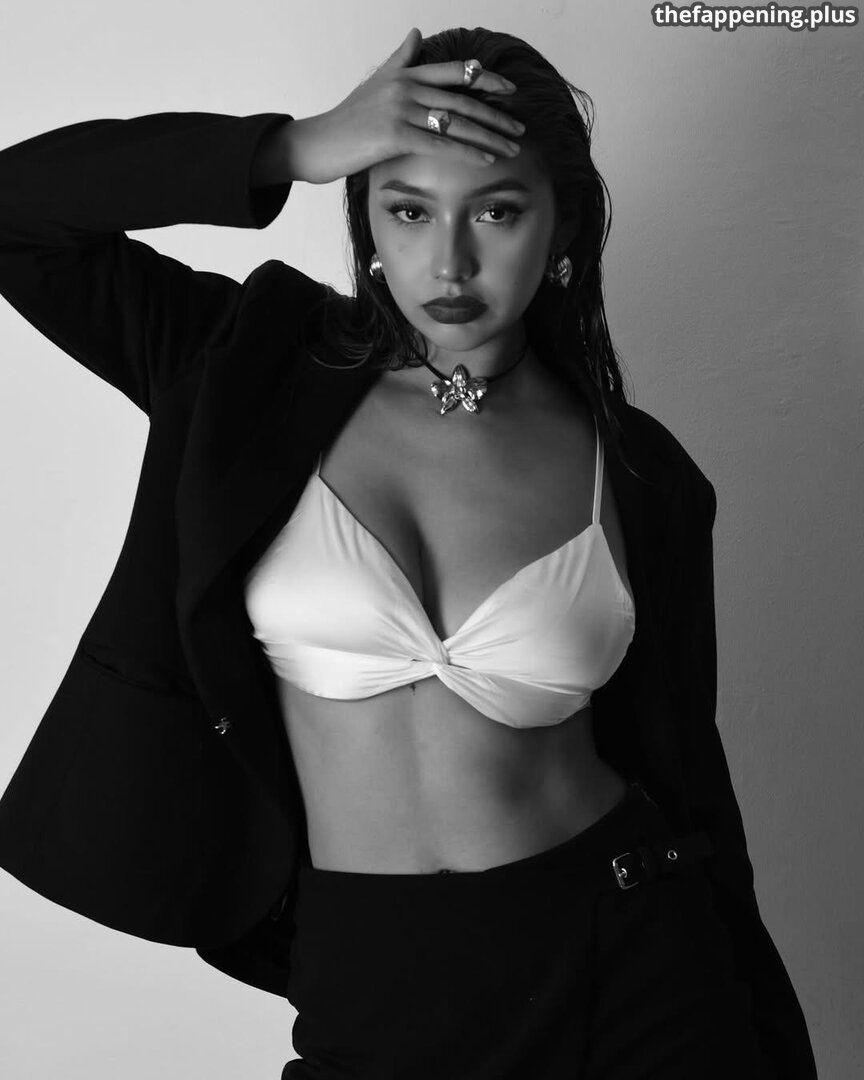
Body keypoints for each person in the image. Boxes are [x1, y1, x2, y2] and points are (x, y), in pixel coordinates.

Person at [0, 24, 816, 1080]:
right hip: (371, 972)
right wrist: (294, 145)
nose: (450, 262)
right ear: (367, 216)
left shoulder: (639, 472)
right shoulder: (242, 372)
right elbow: (18, 214)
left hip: (628, 958)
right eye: (409, 208)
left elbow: (689, 773)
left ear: (563, 224)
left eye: (498, 211)